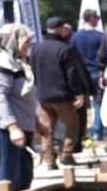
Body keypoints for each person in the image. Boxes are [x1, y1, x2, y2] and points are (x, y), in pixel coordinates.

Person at [0, 23, 40, 190]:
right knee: (10, 178)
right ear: (12, 41)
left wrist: (36, 122)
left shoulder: (16, 61)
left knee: (24, 177)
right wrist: (13, 128)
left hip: (21, 127)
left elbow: (23, 96)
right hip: (4, 129)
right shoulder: (0, 62)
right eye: (25, 41)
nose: (29, 45)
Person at [30, 16, 89, 168]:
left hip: (43, 95)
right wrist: (78, 94)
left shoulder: (36, 48)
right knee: (73, 124)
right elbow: (71, 74)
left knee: (47, 129)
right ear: (61, 29)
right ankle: (67, 154)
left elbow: (33, 71)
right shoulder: (64, 48)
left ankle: (49, 159)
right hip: (61, 95)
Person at [71, 8, 107, 142]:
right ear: (91, 18)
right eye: (96, 18)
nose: (98, 20)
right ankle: (97, 132)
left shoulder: (75, 36)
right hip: (95, 72)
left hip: (80, 74)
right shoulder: (100, 36)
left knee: (81, 106)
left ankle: (82, 132)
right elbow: (103, 56)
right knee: (98, 103)